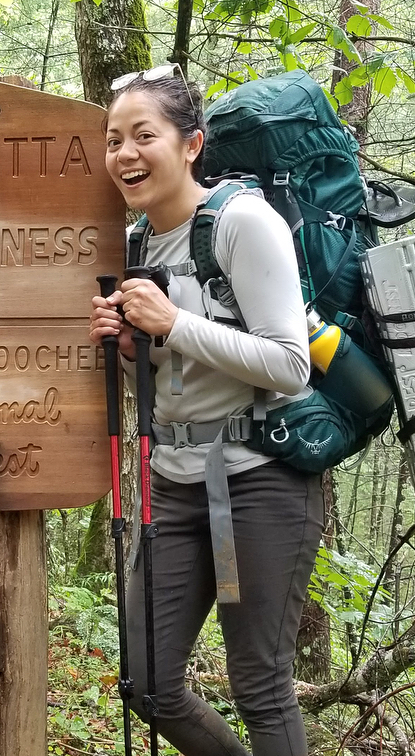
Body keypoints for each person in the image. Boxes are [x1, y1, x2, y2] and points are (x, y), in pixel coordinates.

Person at [88, 66, 324, 756]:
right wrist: (132, 345)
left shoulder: (243, 222)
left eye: (143, 135)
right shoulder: (137, 242)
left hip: (257, 483)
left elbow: (290, 362)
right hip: (177, 483)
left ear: (191, 144)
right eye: (113, 140)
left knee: (260, 684)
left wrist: (169, 325)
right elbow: (176, 368)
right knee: (146, 679)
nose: (125, 154)